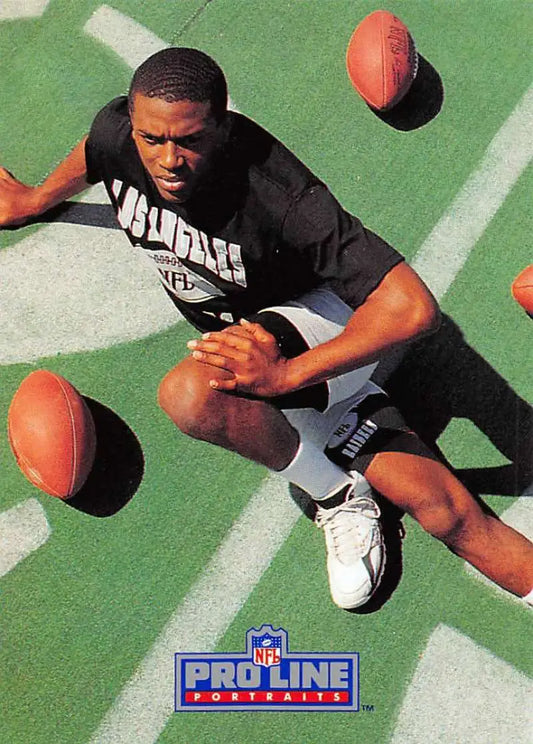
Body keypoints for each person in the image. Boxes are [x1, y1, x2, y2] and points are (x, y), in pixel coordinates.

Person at [0, 47, 531, 610]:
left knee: (190, 393)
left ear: (223, 128)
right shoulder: (119, 135)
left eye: (190, 140)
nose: (168, 160)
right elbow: (96, 150)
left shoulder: (278, 194)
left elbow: (413, 308)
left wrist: (287, 376)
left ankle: (327, 412)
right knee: (433, 502)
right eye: (152, 139)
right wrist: (32, 200)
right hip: (261, 341)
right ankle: (338, 486)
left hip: (319, 319)